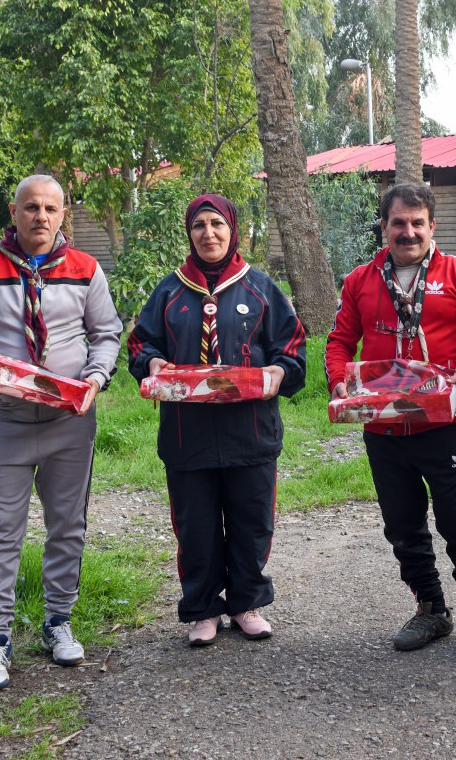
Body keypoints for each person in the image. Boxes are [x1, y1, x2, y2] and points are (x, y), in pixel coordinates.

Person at [0, 174, 122, 691]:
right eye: (31, 207)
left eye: (50, 208)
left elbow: (107, 333)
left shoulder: (86, 269)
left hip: (69, 422)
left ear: (63, 215)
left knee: (68, 526)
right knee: (2, 531)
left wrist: (95, 377)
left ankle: (58, 621)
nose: (41, 216)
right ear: (13, 212)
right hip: (5, 421)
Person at [325, 184, 456, 662]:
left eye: (417, 222)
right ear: (384, 227)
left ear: (432, 226)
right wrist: (340, 382)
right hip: (383, 427)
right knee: (402, 525)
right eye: (398, 223)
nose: (408, 232)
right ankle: (431, 609)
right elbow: (339, 341)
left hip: (441, 423)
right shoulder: (358, 281)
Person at [127, 194, 306, 647]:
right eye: (199, 225)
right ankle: (203, 609)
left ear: (232, 230)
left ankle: (246, 604)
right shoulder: (169, 291)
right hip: (188, 436)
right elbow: (141, 344)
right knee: (196, 526)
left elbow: (292, 348)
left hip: (251, 432)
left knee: (252, 522)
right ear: (189, 233)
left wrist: (278, 372)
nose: (208, 233)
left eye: (217, 224)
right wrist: (151, 364)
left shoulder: (260, 288)